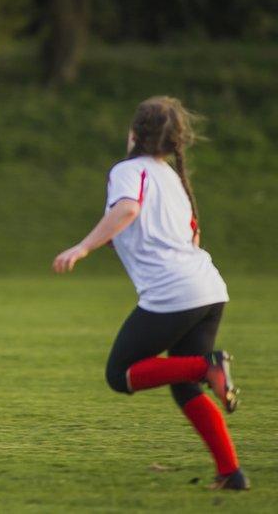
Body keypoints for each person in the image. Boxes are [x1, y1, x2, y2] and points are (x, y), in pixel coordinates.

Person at [52, 96, 247, 490]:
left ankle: (206, 366)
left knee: (120, 374)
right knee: (184, 387)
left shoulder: (129, 170)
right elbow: (191, 234)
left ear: (134, 135)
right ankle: (231, 474)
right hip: (208, 288)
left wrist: (83, 246)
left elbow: (126, 210)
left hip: (173, 293)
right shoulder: (171, 178)